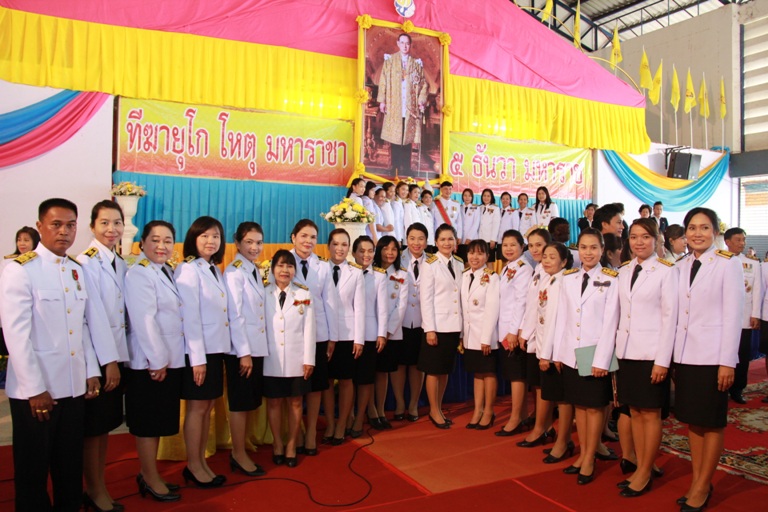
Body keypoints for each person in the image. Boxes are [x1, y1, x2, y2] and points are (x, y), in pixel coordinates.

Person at [1, 198, 102, 512]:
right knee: (32, 470)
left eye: (70, 225)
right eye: (56, 224)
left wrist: (91, 370)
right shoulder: (21, 270)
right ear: (40, 226)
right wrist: (35, 389)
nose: (64, 231)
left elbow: (81, 326)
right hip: (36, 392)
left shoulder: (75, 269)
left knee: (69, 467)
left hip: (72, 387)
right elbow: (16, 336)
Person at [673, 207, 743, 511]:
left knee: (711, 422)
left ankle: (703, 485)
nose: (697, 233)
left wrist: (728, 361)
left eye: (704, 228)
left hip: (714, 356)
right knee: (694, 421)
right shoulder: (681, 265)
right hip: (686, 354)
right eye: (692, 228)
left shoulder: (728, 263)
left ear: (715, 232)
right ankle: (697, 480)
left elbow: (733, 315)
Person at [548, 230, 620, 485]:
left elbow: (611, 323)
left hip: (595, 351)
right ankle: (583, 454)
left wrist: (602, 359)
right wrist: (558, 353)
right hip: (571, 352)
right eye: (584, 247)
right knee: (579, 406)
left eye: (593, 247)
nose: (588, 253)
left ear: (602, 249)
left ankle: (589, 457)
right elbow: (562, 318)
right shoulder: (569, 278)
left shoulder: (611, 278)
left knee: (594, 407)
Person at [614, 219, 677, 498]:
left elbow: (669, 318)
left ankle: (644, 473)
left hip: (651, 354)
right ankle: (643, 464)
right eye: (634, 237)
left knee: (650, 414)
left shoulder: (666, 271)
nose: (639, 242)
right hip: (627, 352)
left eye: (645, 237)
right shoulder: (624, 270)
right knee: (635, 412)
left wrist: (663, 360)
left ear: (656, 240)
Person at [124, 220, 184, 502]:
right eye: (155, 240)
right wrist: (157, 360)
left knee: (158, 420)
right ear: (142, 244)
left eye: (168, 241)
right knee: (148, 423)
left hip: (165, 360)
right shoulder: (139, 273)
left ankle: (149, 472)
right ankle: (149, 477)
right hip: (149, 363)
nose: (162, 246)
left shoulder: (165, 270)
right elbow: (144, 320)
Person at [77, 200, 130, 511]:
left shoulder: (118, 262)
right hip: (98, 360)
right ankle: (94, 490)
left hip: (115, 357)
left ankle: (99, 486)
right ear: (92, 226)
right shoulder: (86, 263)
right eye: (105, 223)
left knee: (105, 426)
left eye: (117, 223)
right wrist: (107, 363)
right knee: (93, 429)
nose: (112, 229)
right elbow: (91, 318)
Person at [175, 216, 230, 488]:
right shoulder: (188, 269)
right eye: (205, 236)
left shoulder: (213, 269)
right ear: (193, 238)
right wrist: (197, 359)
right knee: (197, 409)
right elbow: (190, 317)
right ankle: (193, 465)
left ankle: (201, 461)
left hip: (214, 350)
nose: (211, 241)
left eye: (216, 236)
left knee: (207, 407)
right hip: (199, 353)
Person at [287, 220, 339, 453]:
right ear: (293, 237)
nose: (308, 241)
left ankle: (310, 436)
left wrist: (332, 337)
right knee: (296, 389)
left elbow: (330, 303)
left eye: (312, 237)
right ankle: (296, 434)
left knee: (316, 386)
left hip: (318, 334)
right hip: (292, 335)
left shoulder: (323, 266)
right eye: (304, 236)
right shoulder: (283, 261)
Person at [223, 222, 269, 475]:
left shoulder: (252, 269)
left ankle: (242, 447)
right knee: (240, 404)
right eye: (249, 242)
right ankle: (237, 454)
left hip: (255, 348)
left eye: (258, 242)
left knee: (249, 402)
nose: (255, 247)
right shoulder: (234, 273)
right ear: (237, 243)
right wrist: (244, 353)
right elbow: (235, 315)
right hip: (243, 352)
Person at [263, 250, 316, 468]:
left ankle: (292, 444)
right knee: (274, 402)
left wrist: (309, 359)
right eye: (280, 265)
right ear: (272, 269)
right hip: (271, 359)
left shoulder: (304, 293)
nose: (285, 270)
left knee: (295, 402)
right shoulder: (263, 292)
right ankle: (277, 443)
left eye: (289, 266)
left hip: (297, 359)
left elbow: (310, 329)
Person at [534, 243, 576, 466]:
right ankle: (560, 438)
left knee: (563, 398)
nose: (547, 260)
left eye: (552, 257)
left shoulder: (561, 282)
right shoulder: (548, 279)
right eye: (545, 256)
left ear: (564, 261)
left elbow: (555, 321)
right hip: (546, 348)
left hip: (555, 352)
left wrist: (547, 354)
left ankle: (564, 441)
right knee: (556, 396)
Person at [419, 223, 463, 428]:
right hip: (436, 327)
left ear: (455, 241)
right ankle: (433, 410)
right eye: (443, 239)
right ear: (436, 242)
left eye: (450, 239)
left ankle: (439, 406)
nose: (447, 243)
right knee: (434, 371)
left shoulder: (459, 263)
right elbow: (426, 299)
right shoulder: (429, 264)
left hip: (453, 325)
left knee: (445, 370)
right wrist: (429, 329)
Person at [325, 229, 365, 445]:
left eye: (344, 245)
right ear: (328, 246)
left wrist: (359, 339)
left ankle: (342, 424)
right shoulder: (320, 269)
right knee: (327, 381)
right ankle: (330, 423)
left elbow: (359, 307)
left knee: (346, 380)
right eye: (335, 244)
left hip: (348, 334)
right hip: (324, 334)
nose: (339, 249)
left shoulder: (355, 272)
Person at [517, 228, 555, 447]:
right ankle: (545, 426)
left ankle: (541, 428)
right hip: (533, 336)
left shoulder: (552, 272)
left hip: (545, 338)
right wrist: (525, 332)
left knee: (544, 386)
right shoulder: (537, 270)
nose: (534, 249)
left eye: (539, 245)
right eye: (530, 245)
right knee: (537, 385)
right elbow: (531, 306)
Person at [348, 236, 388, 436]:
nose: (366, 255)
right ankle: (348, 417)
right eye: (362, 251)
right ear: (354, 253)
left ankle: (359, 420)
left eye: (370, 251)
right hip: (348, 333)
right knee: (348, 380)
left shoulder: (379, 276)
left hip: (370, 334)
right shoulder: (346, 272)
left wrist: (381, 334)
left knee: (365, 379)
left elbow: (382, 308)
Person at [495, 229, 534, 436]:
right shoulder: (508, 267)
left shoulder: (523, 269)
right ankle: (524, 416)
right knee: (514, 375)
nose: (509, 248)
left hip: (513, 332)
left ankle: (515, 418)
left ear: (522, 247)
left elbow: (521, 302)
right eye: (505, 245)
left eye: (513, 245)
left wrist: (513, 331)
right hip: (505, 330)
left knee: (517, 377)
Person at [368, 236, 408, 429]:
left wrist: (386, 331)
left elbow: (401, 306)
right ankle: (370, 410)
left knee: (383, 372)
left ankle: (381, 409)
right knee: (369, 372)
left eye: (394, 249)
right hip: (369, 331)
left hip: (390, 334)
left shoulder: (402, 274)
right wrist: (376, 330)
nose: (390, 253)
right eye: (385, 248)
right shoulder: (369, 271)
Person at [461, 240, 500, 429]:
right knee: (477, 373)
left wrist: (486, 339)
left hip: (485, 335)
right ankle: (478, 410)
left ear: (487, 256)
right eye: (471, 253)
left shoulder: (492, 277)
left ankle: (489, 411)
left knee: (488, 373)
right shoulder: (464, 275)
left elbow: (492, 310)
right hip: (470, 335)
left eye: (479, 253)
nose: (474, 257)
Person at [391, 223, 429, 422]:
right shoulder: (397, 259)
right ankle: (399, 403)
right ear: (406, 240)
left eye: (421, 238)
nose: (416, 243)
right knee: (398, 364)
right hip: (400, 321)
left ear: (426, 241)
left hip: (422, 321)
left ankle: (413, 404)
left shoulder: (432, 262)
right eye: (412, 238)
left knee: (416, 365)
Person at [377, 32, 428, 175]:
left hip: (410, 106)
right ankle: (394, 165)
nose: (405, 46)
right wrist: (382, 100)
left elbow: (424, 84)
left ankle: (406, 167)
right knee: (395, 137)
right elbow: (383, 81)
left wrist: (421, 101)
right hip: (394, 104)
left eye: (407, 43)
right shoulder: (390, 61)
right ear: (398, 43)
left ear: (410, 45)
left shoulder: (416, 64)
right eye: (402, 43)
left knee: (407, 137)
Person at [723, 227, 762, 404]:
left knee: (742, 355)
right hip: (722, 318)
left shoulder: (752, 264)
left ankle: (738, 389)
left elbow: (757, 291)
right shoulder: (719, 260)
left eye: (743, 239)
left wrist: (755, 314)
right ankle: (721, 387)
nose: (742, 243)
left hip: (744, 318)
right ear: (727, 242)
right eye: (738, 239)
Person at [1, 227, 41, 358]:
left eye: (26, 240)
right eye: (19, 240)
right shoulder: (8, 262)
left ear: (35, 242)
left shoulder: (40, 261)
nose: (22, 243)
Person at [477, 189, 501, 266]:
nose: (486, 198)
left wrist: (493, 239)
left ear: (491, 197)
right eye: (484, 196)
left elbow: (496, 224)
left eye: (488, 196)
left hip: (489, 239)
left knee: (489, 262)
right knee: (480, 261)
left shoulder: (495, 208)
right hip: (480, 238)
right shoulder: (479, 207)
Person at [458, 188, 479, 263]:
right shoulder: (459, 207)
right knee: (461, 260)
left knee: (471, 260)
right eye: (465, 195)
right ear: (462, 197)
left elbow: (476, 224)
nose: (467, 197)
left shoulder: (476, 208)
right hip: (461, 239)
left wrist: (469, 237)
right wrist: (459, 236)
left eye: (469, 196)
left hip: (472, 238)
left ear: (472, 197)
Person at [496, 192, 519, 259]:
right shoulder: (498, 210)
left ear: (510, 200)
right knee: (499, 260)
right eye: (503, 199)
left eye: (507, 199)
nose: (505, 200)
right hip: (499, 240)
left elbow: (515, 228)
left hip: (508, 241)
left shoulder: (514, 212)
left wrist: (513, 239)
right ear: (501, 200)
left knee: (508, 259)